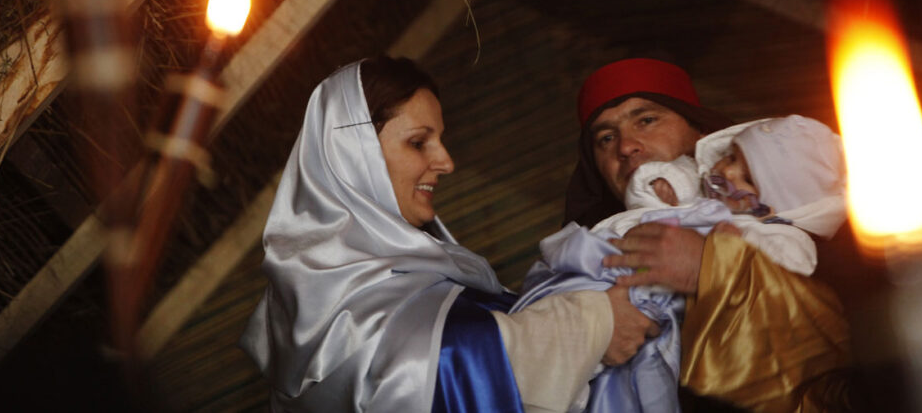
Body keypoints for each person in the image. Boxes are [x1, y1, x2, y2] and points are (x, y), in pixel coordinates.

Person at [239, 57, 658, 413]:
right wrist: (594, 322)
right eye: (419, 142)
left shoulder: (417, 275)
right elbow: (431, 366)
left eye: (440, 140)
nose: (446, 162)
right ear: (352, 158)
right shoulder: (322, 296)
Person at [566, 58, 855, 412]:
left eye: (647, 120)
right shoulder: (588, 250)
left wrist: (710, 265)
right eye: (606, 138)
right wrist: (591, 324)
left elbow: (840, 356)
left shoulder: (824, 239)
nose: (626, 146)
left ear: (700, 132)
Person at [601, 114, 848, 277]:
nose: (728, 171)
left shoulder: (783, 238)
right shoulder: (697, 184)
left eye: (748, 179)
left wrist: (734, 250)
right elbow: (644, 207)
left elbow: (780, 281)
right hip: (622, 255)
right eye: (731, 157)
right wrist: (665, 184)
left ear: (775, 206)